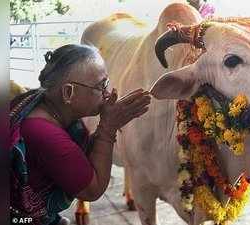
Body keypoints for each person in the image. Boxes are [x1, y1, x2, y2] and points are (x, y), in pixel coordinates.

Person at [10, 44, 151, 225]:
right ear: (68, 92)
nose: (107, 93)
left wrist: (107, 126)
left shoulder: (45, 104)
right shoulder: (44, 134)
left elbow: (76, 157)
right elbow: (92, 189)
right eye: (101, 86)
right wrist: (108, 129)